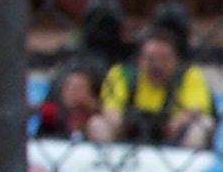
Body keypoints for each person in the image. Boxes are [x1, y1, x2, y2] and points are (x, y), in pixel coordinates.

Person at [87, 26, 215, 149]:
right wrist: (119, 123)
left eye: (164, 59)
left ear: (175, 60)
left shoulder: (188, 75)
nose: (157, 66)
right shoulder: (121, 74)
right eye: (151, 59)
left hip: (173, 137)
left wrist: (179, 121)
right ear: (140, 60)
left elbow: (197, 107)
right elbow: (110, 107)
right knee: (97, 123)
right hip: (127, 135)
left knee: (203, 124)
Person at [33, 57, 104, 139]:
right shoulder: (54, 113)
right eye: (67, 86)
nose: (70, 92)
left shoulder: (95, 117)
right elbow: (38, 109)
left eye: (77, 88)